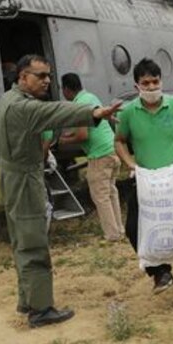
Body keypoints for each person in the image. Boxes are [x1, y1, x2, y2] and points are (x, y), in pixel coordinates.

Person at [0, 54, 121, 328]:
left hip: (11, 176)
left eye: (48, 76)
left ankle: (28, 299)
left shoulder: (7, 100)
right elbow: (53, 112)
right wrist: (94, 112)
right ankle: (41, 310)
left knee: (21, 241)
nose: (47, 81)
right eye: (40, 76)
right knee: (34, 243)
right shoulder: (23, 108)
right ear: (23, 77)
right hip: (25, 180)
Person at [115, 58, 173, 302]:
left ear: (161, 82)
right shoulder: (129, 113)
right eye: (146, 83)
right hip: (146, 184)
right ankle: (160, 272)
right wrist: (129, 163)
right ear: (137, 86)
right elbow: (119, 141)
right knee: (134, 228)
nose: (152, 86)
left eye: (155, 81)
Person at [58, 73, 124, 241]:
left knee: (100, 196)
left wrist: (62, 140)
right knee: (111, 192)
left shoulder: (78, 106)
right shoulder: (90, 97)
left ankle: (112, 234)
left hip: (99, 155)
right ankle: (119, 229)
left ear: (66, 89)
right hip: (112, 149)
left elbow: (82, 135)